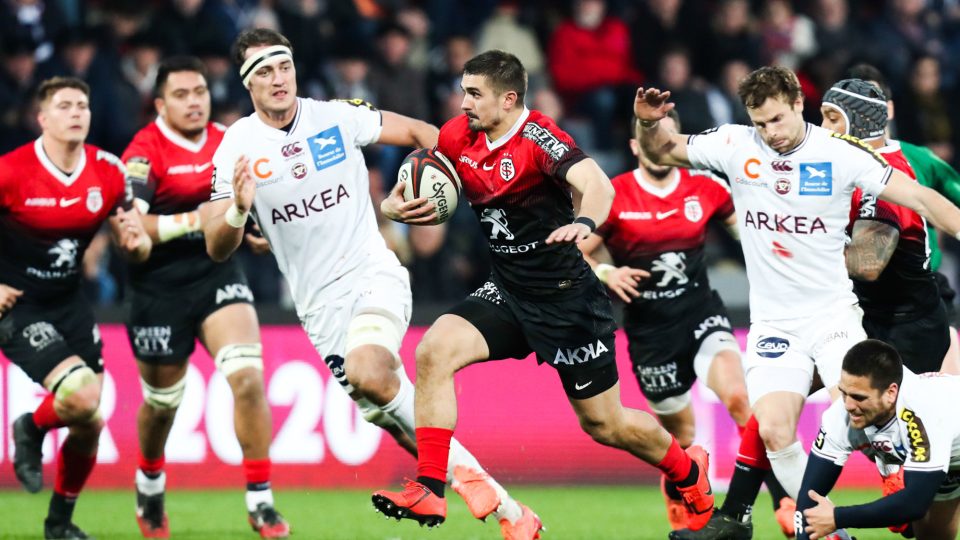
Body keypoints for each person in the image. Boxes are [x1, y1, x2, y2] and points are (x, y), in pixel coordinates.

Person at [202, 29, 538, 539]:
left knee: (370, 371)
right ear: (246, 82)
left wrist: (447, 188)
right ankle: (512, 514)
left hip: (371, 274)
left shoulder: (336, 115)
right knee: (396, 415)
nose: (278, 78)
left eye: (284, 65)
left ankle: (464, 485)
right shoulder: (236, 148)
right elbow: (216, 245)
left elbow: (425, 133)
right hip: (318, 309)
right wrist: (237, 210)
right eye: (264, 71)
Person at [371, 49, 715, 534]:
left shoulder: (539, 138)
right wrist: (392, 203)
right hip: (509, 292)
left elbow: (597, 184)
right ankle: (430, 488)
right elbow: (420, 167)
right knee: (433, 351)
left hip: (567, 300)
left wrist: (584, 222)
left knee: (604, 424)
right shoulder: (457, 134)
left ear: (508, 99)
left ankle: (687, 470)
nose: (463, 102)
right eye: (462, 90)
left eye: (474, 94)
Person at [632, 66, 960, 540]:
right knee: (773, 431)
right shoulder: (735, 144)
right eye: (760, 122)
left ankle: (909, 484)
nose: (771, 133)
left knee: (862, 410)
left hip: (833, 317)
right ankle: (825, 532)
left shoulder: (839, 156)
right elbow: (663, 148)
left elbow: (923, 200)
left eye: (778, 120)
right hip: (774, 327)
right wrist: (647, 123)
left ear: (797, 104)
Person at [578, 110, 792, 532]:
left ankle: (785, 503)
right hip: (649, 331)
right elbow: (580, 250)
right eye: (650, 138)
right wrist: (609, 272)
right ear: (635, 146)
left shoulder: (707, 187)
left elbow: (752, 236)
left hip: (701, 314)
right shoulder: (614, 195)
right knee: (683, 439)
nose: (659, 145)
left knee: (741, 399)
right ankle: (679, 489)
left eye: (667, 136)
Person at [120, 55, 287, 539]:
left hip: (217, 273)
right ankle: (149, 481)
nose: (193, 102)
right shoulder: (143, 151)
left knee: (249, 380)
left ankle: (261, 502)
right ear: (159, 103)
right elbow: (134, 225)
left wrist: (254, 228)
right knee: (163, 403)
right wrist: (205, 218)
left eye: (200, 92)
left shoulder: (230, 139)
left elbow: (254, 200)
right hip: (158, 287)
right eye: (180, 95)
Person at [2, 76, 151, 540]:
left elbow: (137, 243)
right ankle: (30, 426)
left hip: (70, 303)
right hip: (19, 305)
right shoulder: (10, 171)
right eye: (64, 105)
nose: (76, 113)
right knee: (84, 396)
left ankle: (58, 524)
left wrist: (135, 241)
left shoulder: (107, 171)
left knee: (89, 420)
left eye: (82, 105)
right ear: (42, 119)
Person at [820, 78, 949, 375]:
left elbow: (866, 264)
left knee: (892, 416)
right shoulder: (856, 167)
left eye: (832, 118)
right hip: (875, 313)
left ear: (859, 122)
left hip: (905, 327)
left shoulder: (881, 178)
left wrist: (804, 245)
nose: (823, 128)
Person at [795, 339, 960, 540]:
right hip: (951, 463)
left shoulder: (922, 410)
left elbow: (915, 503)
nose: (847, 404)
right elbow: (808, 500)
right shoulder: (839, 416)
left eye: (858, 397)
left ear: (891, 393)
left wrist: (838, 517)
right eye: (844, 392)